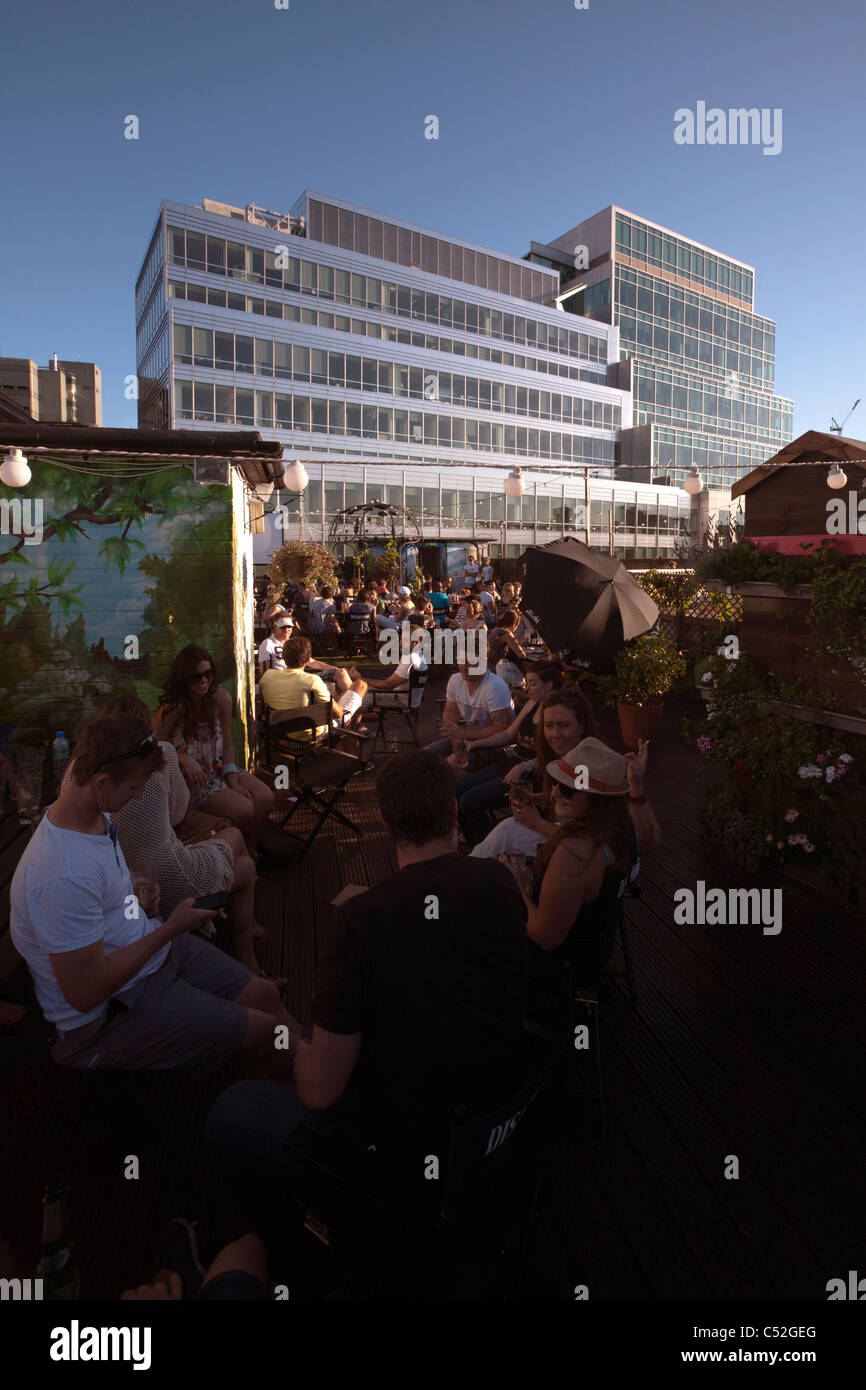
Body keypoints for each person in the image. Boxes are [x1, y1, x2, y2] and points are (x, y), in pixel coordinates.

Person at [204, 750, 528, 1210]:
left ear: (384, 820)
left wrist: (298, 1048)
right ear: (454, 811)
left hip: (406, 1152)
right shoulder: (500, 881)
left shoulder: (361, 921)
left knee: (232, 1110)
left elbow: (319, 1092)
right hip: (497, 1121)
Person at [9, 715, 298, 1074]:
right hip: (107, 1017)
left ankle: (316, 1064)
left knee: (266, 997)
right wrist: (169, 928)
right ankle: (315, 1098)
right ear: (100, 782)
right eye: (134, 787)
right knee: (268, 1030)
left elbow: (105, 899)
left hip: (151, 952)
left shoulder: (94, 817)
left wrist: (132, 895)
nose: (140, 795)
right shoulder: (62, 874)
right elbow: (84, 993)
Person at [93, 696, 276, 983]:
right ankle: (248, 956)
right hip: (169, 889)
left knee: (236, 850)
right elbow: (178, 813)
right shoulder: (160, 755)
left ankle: (240, 919)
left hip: (127, 884)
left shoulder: (87, 772)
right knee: (241, 854)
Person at [499, 738, 661, 985]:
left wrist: (518, 887)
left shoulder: (574, 853)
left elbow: (546, 938)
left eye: (566, 789)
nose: (554, 792)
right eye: (556, 783)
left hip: (559, 964)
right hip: (596, 947)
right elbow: (652, 838)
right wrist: (635, 784)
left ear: (596, 799)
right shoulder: (623, 830)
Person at [154, 646, 276, 858]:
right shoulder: (173, 708)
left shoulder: (221, 700)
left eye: (208, 674)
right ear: (184, 678)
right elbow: (157, 747)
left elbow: (228, 745)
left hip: (218, 766)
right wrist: (182, 758)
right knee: (246, 809)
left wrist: (232, 780)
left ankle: (250, 849)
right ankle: (243, 854)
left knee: (265, 797)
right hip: (192, 780)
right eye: (196, 676)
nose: (204, 681)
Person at [470, 687, 596, 860]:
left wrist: (536, 823)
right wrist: (532, 797)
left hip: (583, 855)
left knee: (504, 834)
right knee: (504, 832)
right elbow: (564, 799)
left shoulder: (586, 767)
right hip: (564, 837)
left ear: (582, 726)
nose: (555, 735)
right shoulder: (564, 756)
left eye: (564, 725)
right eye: (549, 726)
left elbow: (582, 839)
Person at [451, 662, 563, 844]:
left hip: (532, 774)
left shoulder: (557, 714)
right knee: (457, 790)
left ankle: (487, 849)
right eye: (528, 683)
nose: (528, 688)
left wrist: (523, 766)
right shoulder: (534, 702)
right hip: (511, 762)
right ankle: (475, 841)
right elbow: (509, 734)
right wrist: (473, 744)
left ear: (549, 685)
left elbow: (554, 755)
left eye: (533, 683)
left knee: (469, 801)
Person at [260, 635, 368, 737]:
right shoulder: (312, 681)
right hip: (311, 731)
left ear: (284, 657)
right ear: (308, 661)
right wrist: (343, 696)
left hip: (280, 729)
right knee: (360, 685)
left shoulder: (267, 677)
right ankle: (350, 741)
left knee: (339, 697)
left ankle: (352, 735)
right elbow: (338, 713)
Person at [428, 662, 514, 764]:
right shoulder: (456, 680)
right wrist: (452, 735)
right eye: (461, 660)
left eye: (470, 662)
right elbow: (451, 713)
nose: (464, 667)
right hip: (468, 740)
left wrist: (463, 734)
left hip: (494, 746)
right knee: (424, 755)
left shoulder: (495, 687)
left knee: (447, 766)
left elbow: (503, 729)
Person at [349, 615, 429, 714]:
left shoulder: (410, 657)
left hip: (401, 701)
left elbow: (389, 685)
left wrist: (360, 679)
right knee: (360, 690)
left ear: (416, 642)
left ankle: (351, 727)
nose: (400, 643)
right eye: (401, 639)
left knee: (354, 699)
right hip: (410, 700)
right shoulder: (420, 656)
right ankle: (360, 724)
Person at [487, 610, 526, 686]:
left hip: (489, 668)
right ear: (514, 624)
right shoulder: (506, 632)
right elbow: (521, 654)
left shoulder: (495, 630)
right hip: (499, 671)